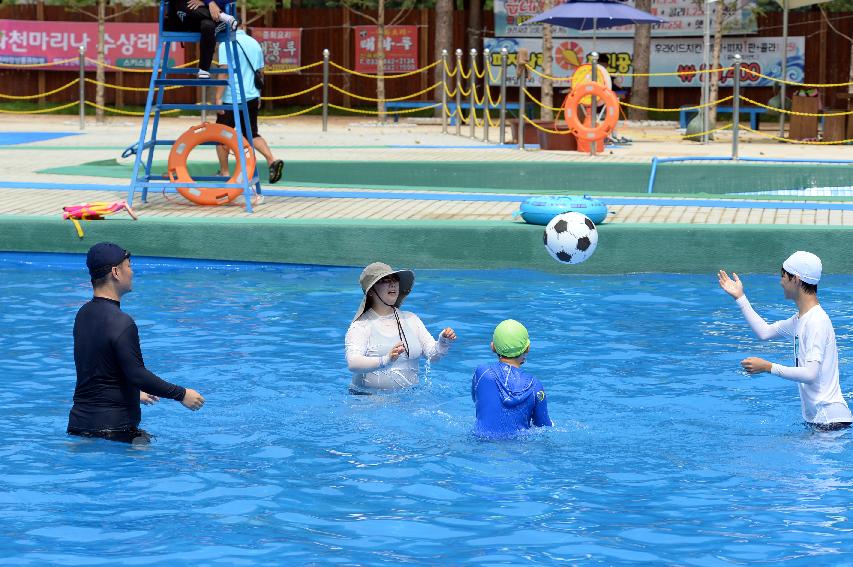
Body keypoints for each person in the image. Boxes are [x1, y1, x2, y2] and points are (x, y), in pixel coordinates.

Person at [67, 242, 205, 444]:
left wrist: (130, 393)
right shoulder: (122, 322)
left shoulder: (83, 314)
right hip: (115, 431)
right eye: (129, 266)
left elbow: (99, 370)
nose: (132, 272)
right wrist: (182, 394)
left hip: (78, 425)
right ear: (116, 272)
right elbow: (137, 374)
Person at [718, 251, 852, 431]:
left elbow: (811, 374)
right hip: (822, 421)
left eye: (783, 276)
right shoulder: (800, 320)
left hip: (830, 421)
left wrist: (768, 367)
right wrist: (740, 298)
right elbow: (764, 332)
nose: (781, 282)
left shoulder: (816, 322)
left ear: (795, 279)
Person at [345, 262, 456, 392]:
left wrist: (443, 342)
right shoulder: (360, 326)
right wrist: (385, 360)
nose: (392, 284)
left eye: (395, 279)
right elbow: (353, 363)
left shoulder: (411, 319)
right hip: (367, 400)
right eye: (385, 280)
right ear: (371, 291)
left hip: (410, 400)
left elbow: (433, 357)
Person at [214, 27, 284, 185]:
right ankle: (271, 159)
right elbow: (260, 72)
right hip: (251, 96)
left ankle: (224, 173)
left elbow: (224, 71)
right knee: (251, 133)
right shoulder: (254, 43)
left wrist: (218, 97)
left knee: (221, 135)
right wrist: (258, 95)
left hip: (231, 98)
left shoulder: (226, 44)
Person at [471, 319, 552, 437]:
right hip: (518, 447)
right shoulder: (535, 386)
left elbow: (477, 400)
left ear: (493, 347)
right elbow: (544, 427)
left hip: (482, 442)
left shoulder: (482, 373)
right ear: (528, 348)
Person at [165, 0, 238, 79]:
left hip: (214, 20)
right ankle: (222, 16)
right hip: (192, 15)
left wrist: (209, 3)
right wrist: (209, 2)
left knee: (207, 26)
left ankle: (204, 69)